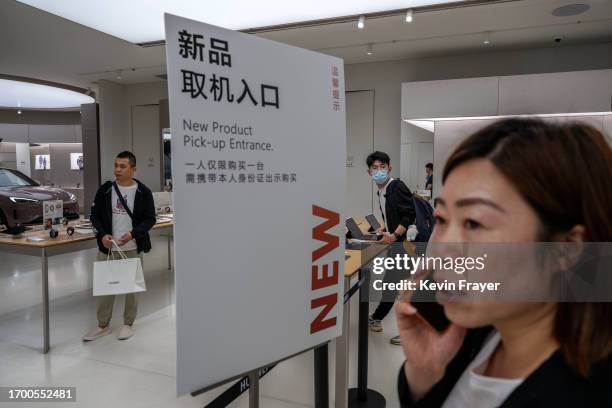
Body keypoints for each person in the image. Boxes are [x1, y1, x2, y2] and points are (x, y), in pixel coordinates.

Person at [396, 118, 612, 407]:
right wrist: (423, 374)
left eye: (473, 222)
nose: (443, 247)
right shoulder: (472, 332)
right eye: (442, 219)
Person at [83, 151, 156, 341]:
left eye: (123, 166)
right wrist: (102, 235)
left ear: (133, 169)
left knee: (132, 288)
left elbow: (150, 219)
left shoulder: (143, 191)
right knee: (105, 288)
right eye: (116, 165)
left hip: (132, 246)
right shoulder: (105, 190)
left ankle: (128, 323)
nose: (118, 170)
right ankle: (103, 325)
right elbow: (94, 216)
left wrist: (133, 234)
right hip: (108, 248)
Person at [366, 151, 416, 346]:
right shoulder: (383, 190)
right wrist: (385, 227)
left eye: (383, 167)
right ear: (369, 171)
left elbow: (408, 215)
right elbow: (393, 214)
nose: (379, 171)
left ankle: (385, 322)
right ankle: (377, 318)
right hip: (399, 243)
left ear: (390, 168)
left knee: (398, 286)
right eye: (375, 168)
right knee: (395, 285)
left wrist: (394, 235)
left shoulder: (396, 186)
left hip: (406, 245)